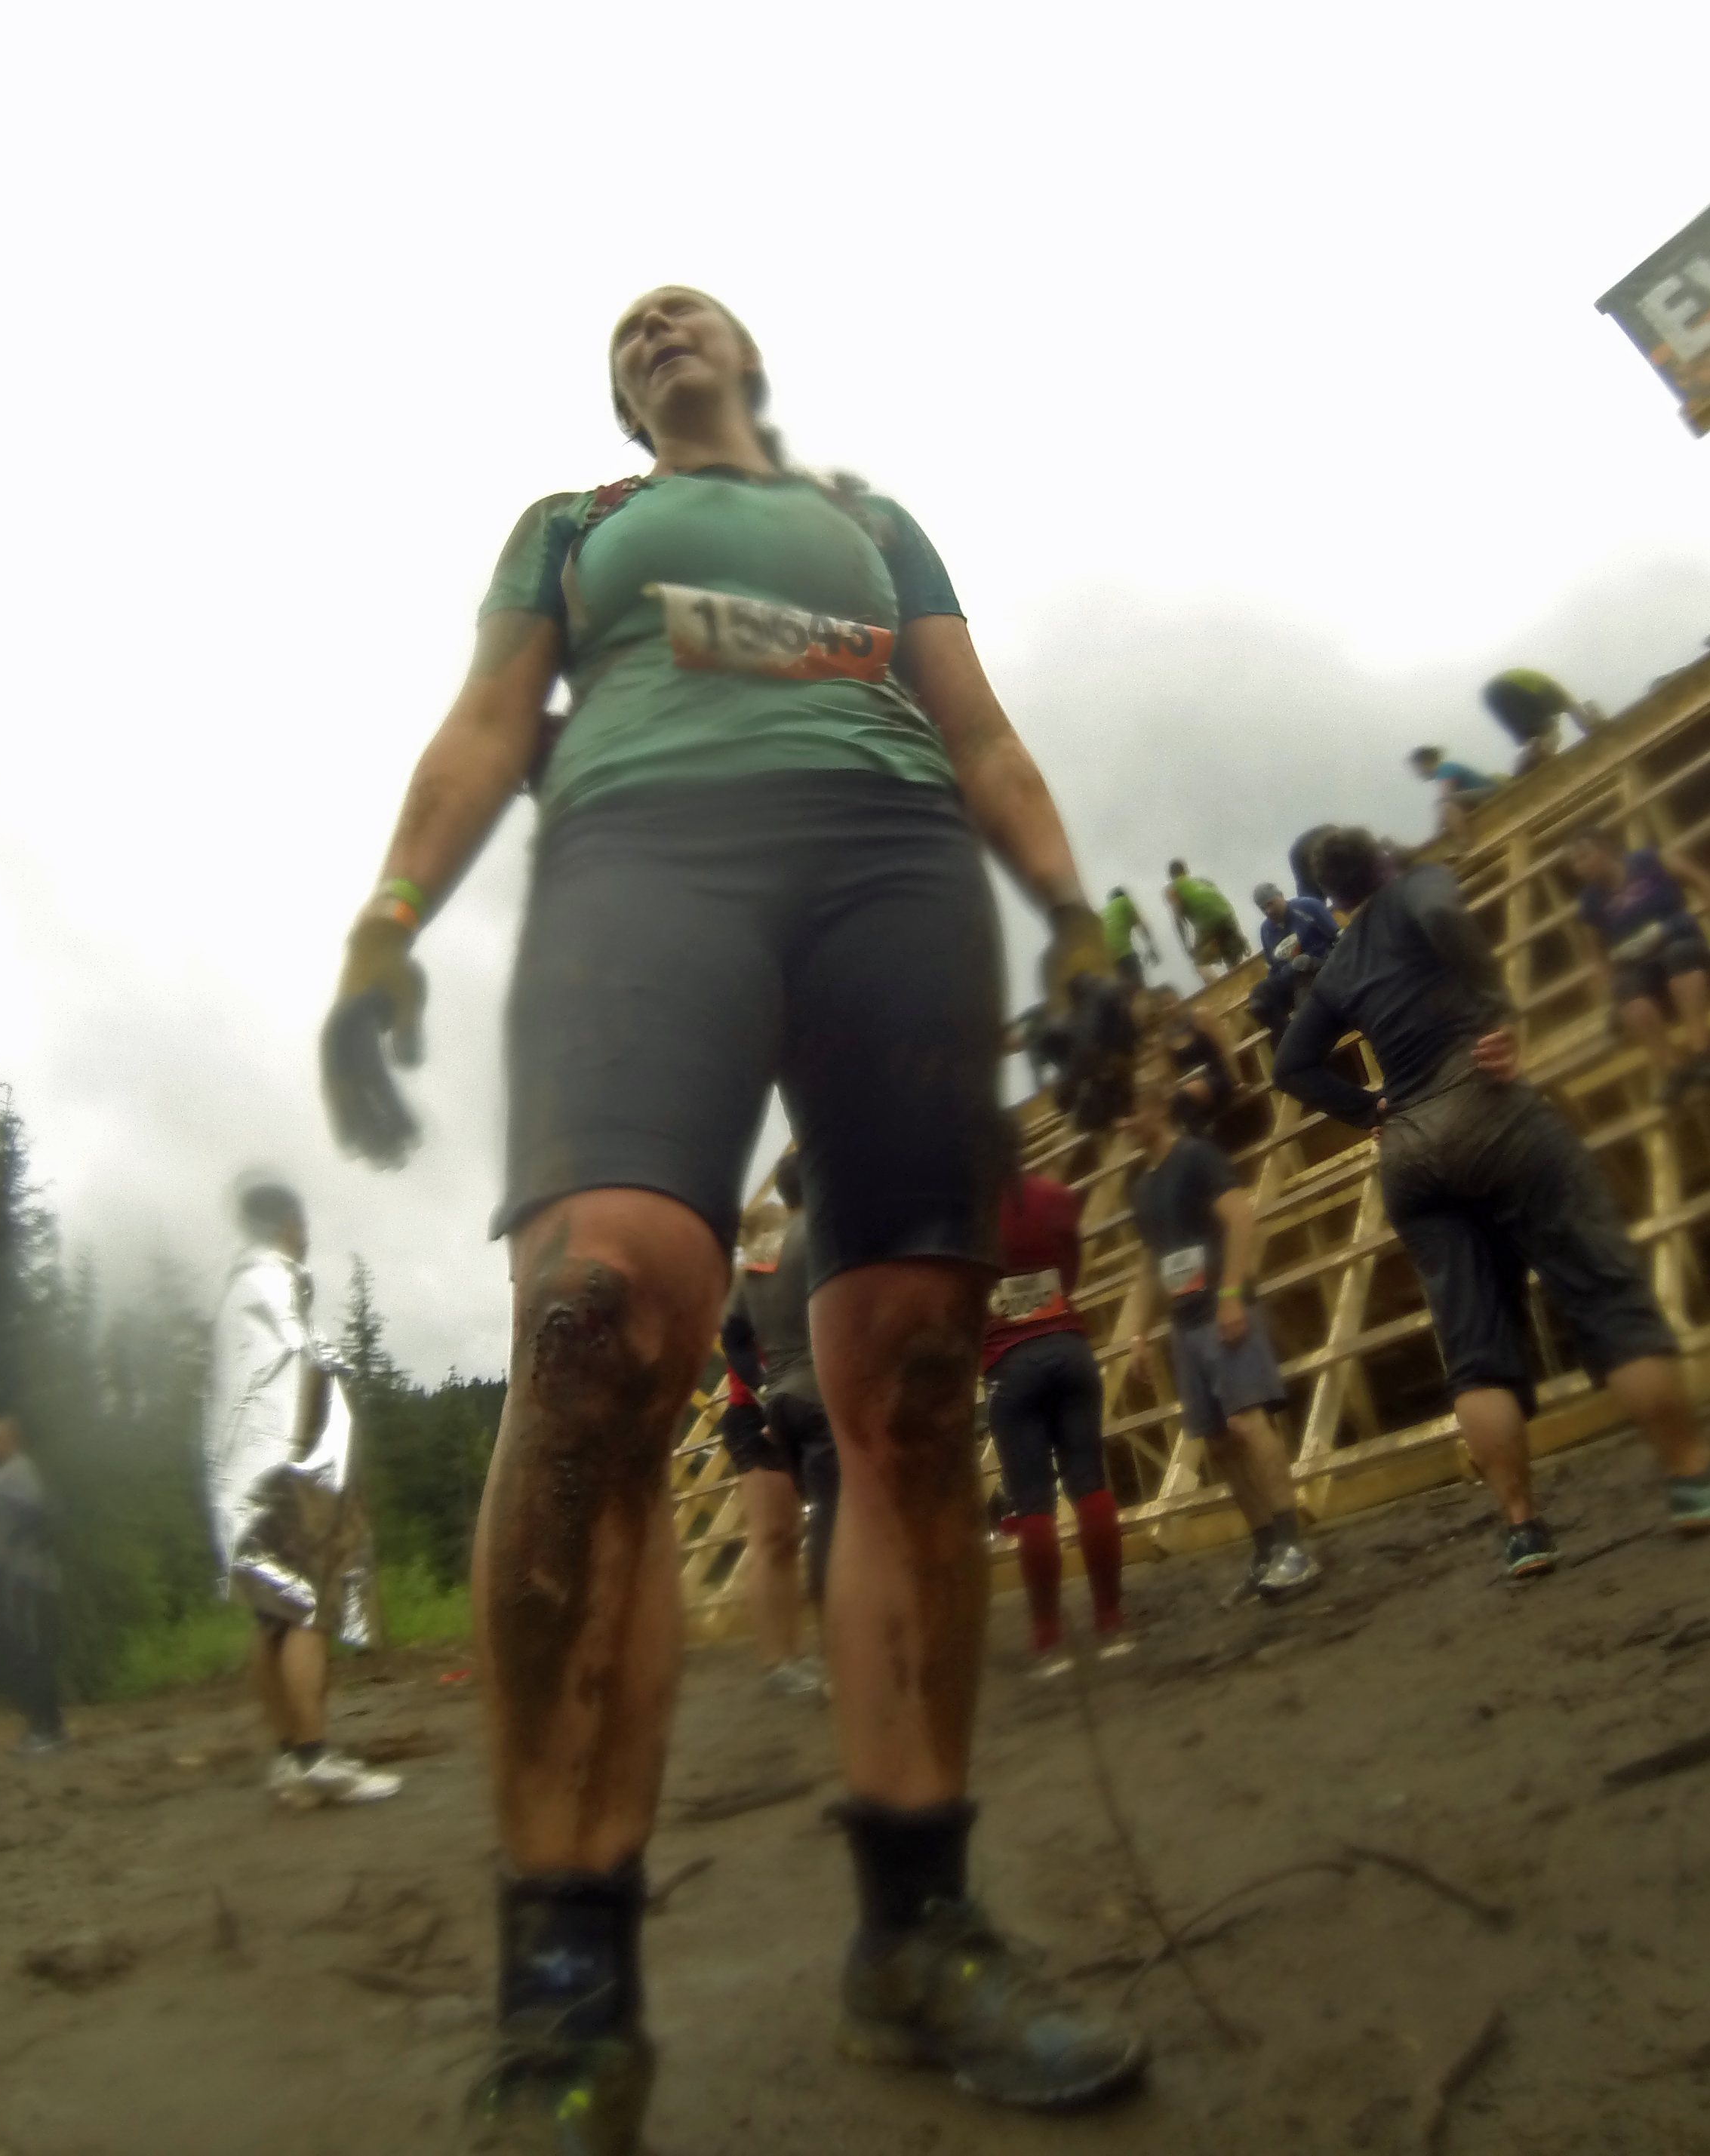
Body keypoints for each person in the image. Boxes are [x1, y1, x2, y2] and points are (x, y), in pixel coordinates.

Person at [318, 285, 1146, 2146]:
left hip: (887, 864)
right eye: (626, 334)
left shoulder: (867, 524)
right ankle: (565, 2003)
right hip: (643, 855)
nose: (654, 332)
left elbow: (982, 733)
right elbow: (483, 725)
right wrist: (385, 926)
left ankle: (915, 1933)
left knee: (913, 1362)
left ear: (748, 361)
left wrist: (1075, 920)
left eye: (681, 314)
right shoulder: (575, 529)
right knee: (597, 1313)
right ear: (622, 406)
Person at [1273, 829, 1710, 1579]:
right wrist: (1499, 1011)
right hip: (1489, 1109)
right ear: (1381, 862)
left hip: (1412, 1151)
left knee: (1474, 1350)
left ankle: (1522, 1528)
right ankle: (1689, 1478)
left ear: (1330, 899)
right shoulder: (1419, 886)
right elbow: (1445, 916)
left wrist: (1367, 1109)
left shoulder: (1339, 963)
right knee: (1607, 1295)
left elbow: (1290, 1064)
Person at [203, 1179, 401, 1811]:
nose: (307, 1234)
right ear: (288, 1223)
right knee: (309, 1607)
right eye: (303, 1222)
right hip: (293, 1474)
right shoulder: (276, 1277)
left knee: (271, 1615)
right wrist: (342, 1370)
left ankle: (290, 1757)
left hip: (245, 1481)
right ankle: (314, 1758)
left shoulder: (234, 1292)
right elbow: (304, 1361)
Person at [1121, 1081, 1321, 1602]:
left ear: (1156, 1108)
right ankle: (1265, 1548)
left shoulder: (1196, 1157)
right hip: (1185, 1322)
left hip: (1220, 1309)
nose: (1123, 1124)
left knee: (1247, 1422)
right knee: (1217, 1440)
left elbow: (1239, 1217)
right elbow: (1152, 1262)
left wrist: (1231, 1293)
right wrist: (1138, 1332)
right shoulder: (1141, 1186)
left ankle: (1293, 1546)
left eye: (1129, 1112)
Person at [983, 1116, 1129, 1673]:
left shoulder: (969, 1216)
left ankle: (1048, 1634)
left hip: (1008, 1361)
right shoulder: (1055, 1196)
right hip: (1068, 1346)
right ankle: (1110, 1618)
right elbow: (1070, 1268)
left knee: (1033, 1502)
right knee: (1090, 1483)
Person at [719, 1155, 838, 1697]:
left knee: (788, 1537)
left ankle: (793, 1652)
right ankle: (777, 1659)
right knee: (772, 1538)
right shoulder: (753, 1277)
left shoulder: (767, 1271)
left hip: (777, 1404)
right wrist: (765, 1389)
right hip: (755, 1413)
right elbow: (736, 1343)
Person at [1564, 824, 1710, 1103]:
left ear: (1604, 849)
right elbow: (1594, 955)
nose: (1580, 867)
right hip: (1639, 964)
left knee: (1680, 955)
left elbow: (1700, 880)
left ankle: (1702, 1053)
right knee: (1626, 990)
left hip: (1679, 943)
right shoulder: (1590, 903)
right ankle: (1675, 1070)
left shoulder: (1650, 860)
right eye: (1574, 863)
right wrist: (1608, 994)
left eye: (1584, 856)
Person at [0, 1415, 67, 1754]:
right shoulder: (3, 1477)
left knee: (30, 1652)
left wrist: (14, 1540)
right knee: (22, 1652)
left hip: (25, 1578)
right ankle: (48, 1728)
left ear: (12, 1441)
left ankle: (45, 1732)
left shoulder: (18, 1472)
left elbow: (38, 1511)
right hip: (9, 1578)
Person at [1247, 881, 1339, 1045]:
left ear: (1281, 896)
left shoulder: (1308, 907)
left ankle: (1307, 1037)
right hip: (1289, 978)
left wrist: (1318, 961)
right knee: (1259, 994)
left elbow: (1338, 939)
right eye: (1263, 908)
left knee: (1302, 970)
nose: (1268, 911)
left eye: (1271, 904)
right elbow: (1273, 969)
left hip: (1319, 969)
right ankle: (1287, 1036)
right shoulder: (1266, 930)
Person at [1151, 983, 1238, 1133]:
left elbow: (1225, 1050)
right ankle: (1202, 1136)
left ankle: (1202, 1139)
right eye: (1163, 1007)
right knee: (1174, 1104)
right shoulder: (1164, 1039)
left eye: (1170, 1002)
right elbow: (1172, 1075)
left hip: (1217, 1077)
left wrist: (1237, 1081)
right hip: (1190, 1088)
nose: (1169, 1009)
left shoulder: (1200, 1017)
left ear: (1179, 1000)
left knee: (1183, 1100)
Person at [1481, 668, 1601, 771]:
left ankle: (1525, 768)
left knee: (1537, 738)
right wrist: (1598, 732)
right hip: (1509, 686)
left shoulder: (1549, 700)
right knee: (1549, 735)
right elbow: (1581, 717)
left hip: (1493, 694)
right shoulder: (1561, 697)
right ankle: (1534, 762)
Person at [1164, 860, 1248, 977]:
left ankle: (1218, 987)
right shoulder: (1204, 882)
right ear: (1186, 870)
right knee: (1234, 961)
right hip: (1228, 919)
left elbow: (1178, 916)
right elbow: (1220, 902)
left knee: (1200, 964)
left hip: (1208, 924)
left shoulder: (1173, 889)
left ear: (1171, 876)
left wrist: (1186, 945)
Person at [1409, 746, 1502, 842]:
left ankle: (1465, 841)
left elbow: (1445, 796)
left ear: (1426, 762)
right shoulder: (1443, 771)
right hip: (1477, 798)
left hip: (1490, 793)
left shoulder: (1445, 768)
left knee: (1447, 805)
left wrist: (1436, 833)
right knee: (1447, 806)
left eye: (1417, 768)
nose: (1418, 773)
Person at [1100, 885, 1159, 990]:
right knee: (1139, 990)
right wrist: (1152, 947)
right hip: (1124, 955)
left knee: (1123, 993)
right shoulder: (1124, 901)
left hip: (1107, 960)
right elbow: (1142, 926)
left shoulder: (1104, 912)